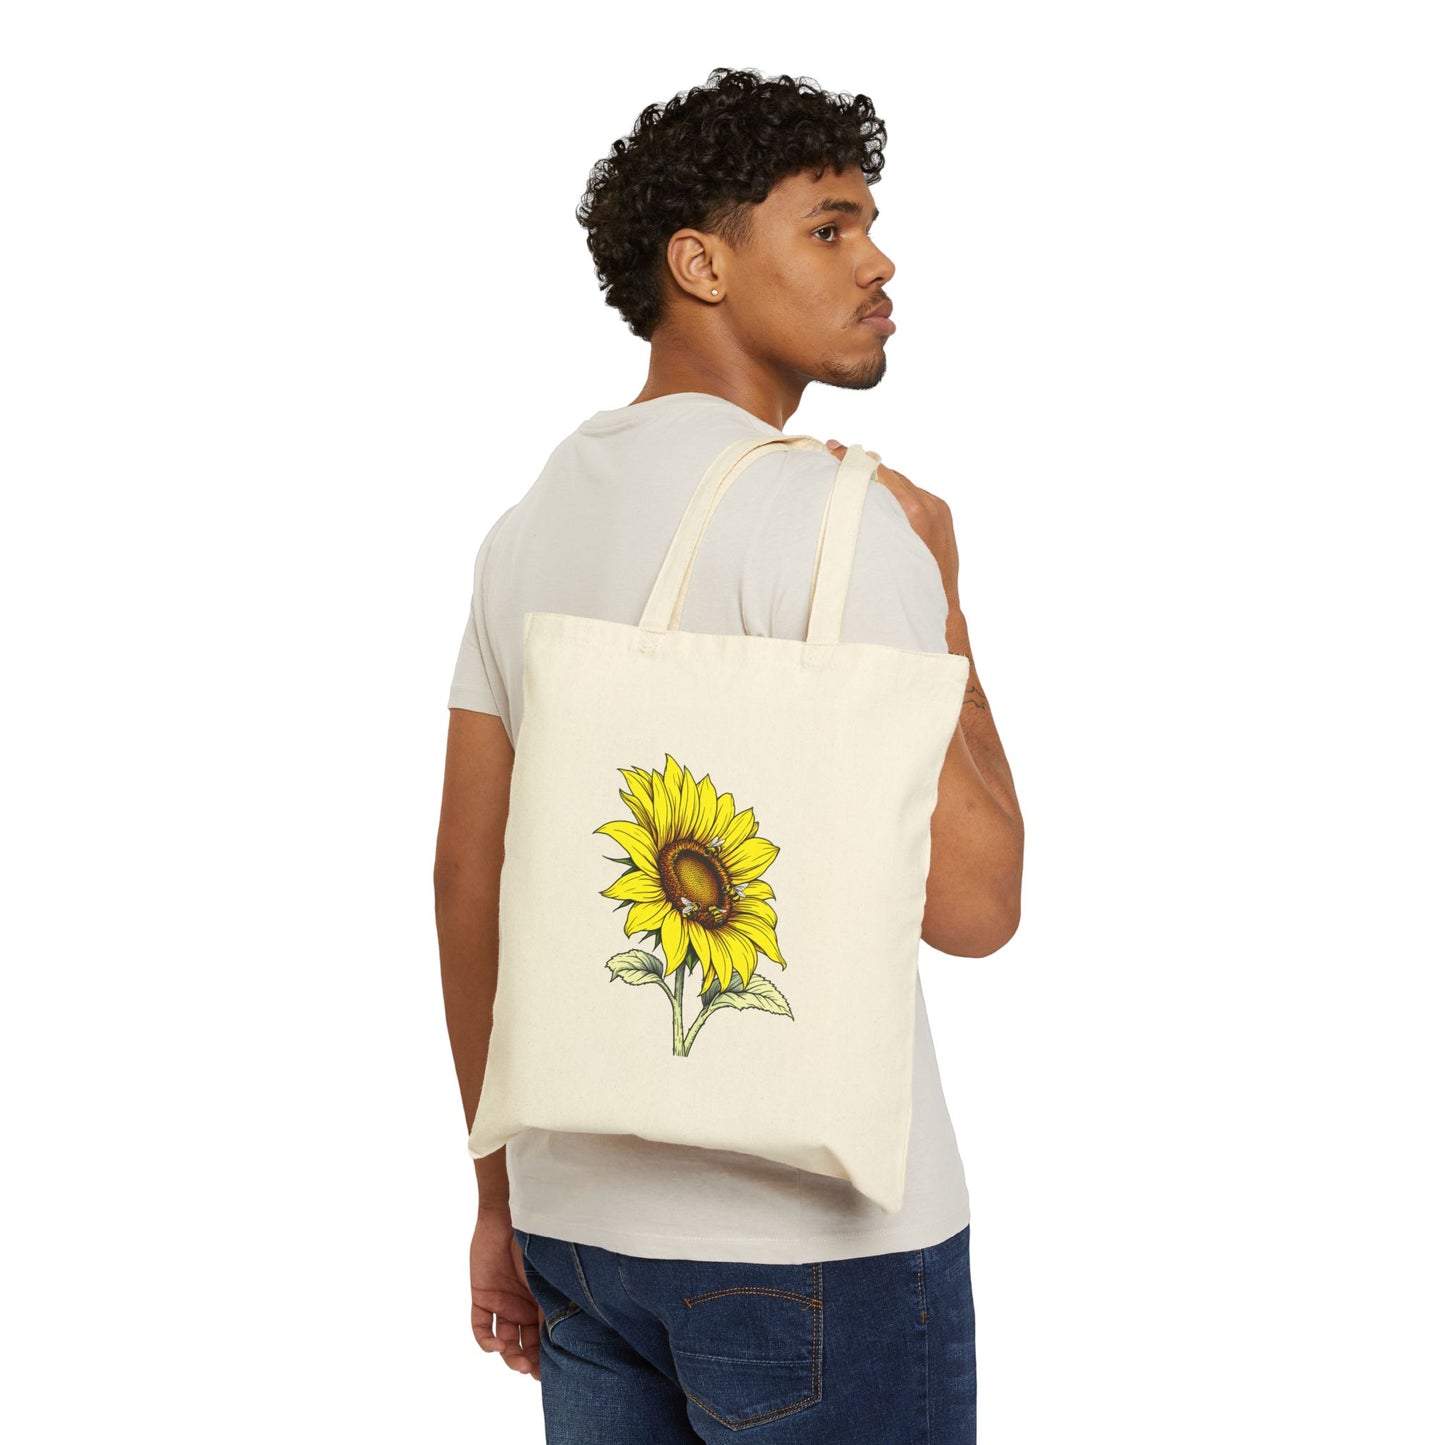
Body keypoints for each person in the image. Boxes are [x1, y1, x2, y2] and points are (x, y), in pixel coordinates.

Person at [433, 66, 1024, 1443]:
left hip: (576, 1229)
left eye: (869, 221)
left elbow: (469, 872)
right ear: (698, 261)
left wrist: (496, 1194)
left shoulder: (524, 527)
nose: (876, 261)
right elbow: (978, 909)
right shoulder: (836, 519)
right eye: (828, 226)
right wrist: (941, 600)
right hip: (819, 1241)